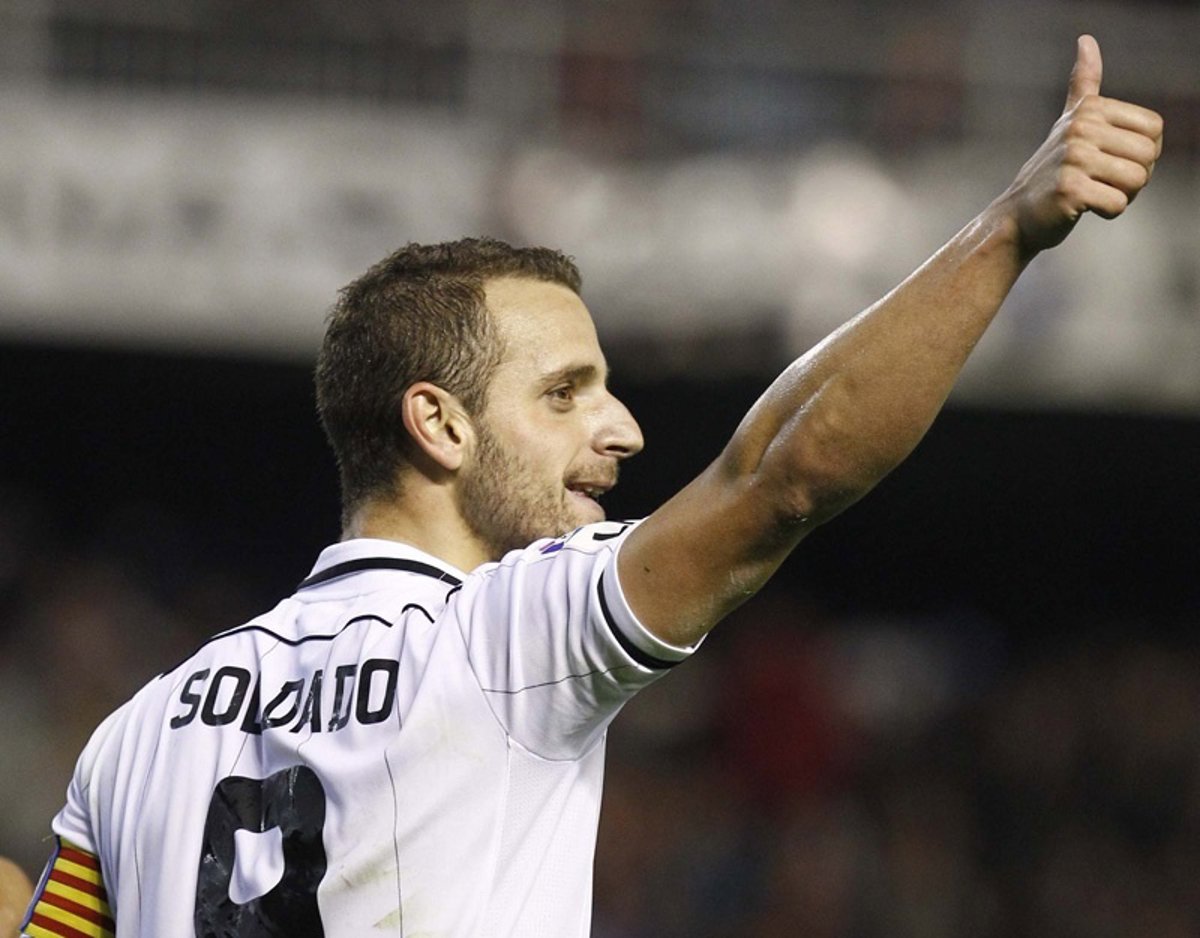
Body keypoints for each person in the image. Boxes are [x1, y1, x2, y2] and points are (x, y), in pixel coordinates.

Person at [20, 35, 1160, 938]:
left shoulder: (140, 732)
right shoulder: (505, 637)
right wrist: (1007, 231)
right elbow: (786, 471)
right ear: (440, 424)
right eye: (566, 393)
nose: (622, 429)